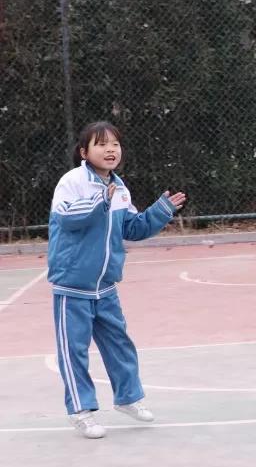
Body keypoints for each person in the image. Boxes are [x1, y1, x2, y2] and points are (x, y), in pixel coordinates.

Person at [48, 121, 186, 439]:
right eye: (101, 144)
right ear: (84, 152)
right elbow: (69, 219)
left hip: (106, 286)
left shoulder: (120, 188)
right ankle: (82, 411)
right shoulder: (72, 182)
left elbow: (132, 229)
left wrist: (161, 211)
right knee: (74, 351)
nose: (111, 150)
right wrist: (101, 203)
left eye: (115, 144)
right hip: (73, 285)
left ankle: (128, 398)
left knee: (119, 344)